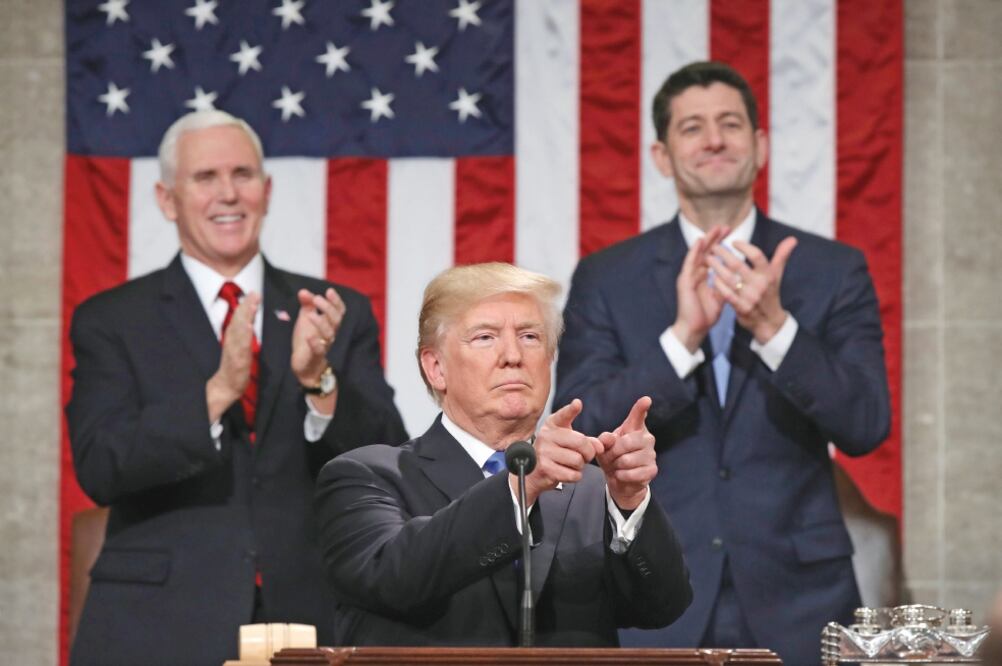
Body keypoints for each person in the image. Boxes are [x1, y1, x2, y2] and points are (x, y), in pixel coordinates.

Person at [554, 61, 891, 664]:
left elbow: (865, 424)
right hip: (655, 587)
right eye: (692, 127)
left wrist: (774, 327)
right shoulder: (608, 277)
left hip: (801, 598)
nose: (714, 139)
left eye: (730, 124)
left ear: (760, 146)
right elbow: (581, 427)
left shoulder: (832, 269)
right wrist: (682, 338)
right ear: (662, 156)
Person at [67, 110, 408, 665]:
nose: (229, 194)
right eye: (205, 178)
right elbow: (100, 467)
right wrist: (217, 393)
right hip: (157, 623)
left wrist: (318, 381)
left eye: (243, 174)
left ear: (267, 190)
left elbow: (388, 460)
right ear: (166, 198)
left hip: (310, 614)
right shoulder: (111, 320)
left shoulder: (328, 311)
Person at [314, 262, 692, 646]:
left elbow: (661, 607)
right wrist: (520, 489)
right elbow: (394, 579)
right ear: (436, 367)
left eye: (530, 336)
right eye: (485, 337)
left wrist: (629, 501)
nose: (513, 355)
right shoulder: (365, 476)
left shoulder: (595, 491)